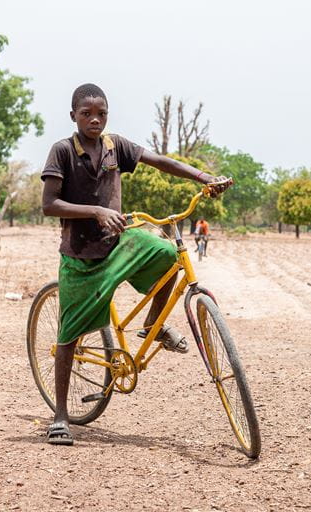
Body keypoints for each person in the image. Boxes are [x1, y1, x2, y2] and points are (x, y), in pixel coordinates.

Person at [41, 83, 231, 445]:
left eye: (101, 114)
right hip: (81, 255)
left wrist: (204, 178)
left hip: (119, 242)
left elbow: (159, 160)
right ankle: (61, 416)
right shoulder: (63, 151)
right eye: (86, 114)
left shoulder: (115, 146)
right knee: (69, 335)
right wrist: (97, 211)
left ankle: (152, 326)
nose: (95, 120)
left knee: (165, 255)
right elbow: (49, 204)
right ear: (73, 116)